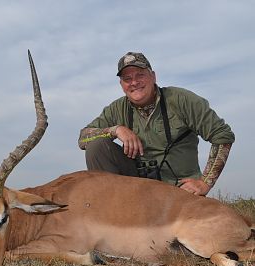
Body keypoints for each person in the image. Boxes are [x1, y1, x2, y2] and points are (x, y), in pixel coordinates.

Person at [78, 52, 235, 196]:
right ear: (121, 84)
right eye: (127, 79)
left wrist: (204, 183)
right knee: (96, 145)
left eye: (140, 75)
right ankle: (112, 210)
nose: (134, 82)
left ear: (153, 76)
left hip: (180, 190)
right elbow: (83, 138)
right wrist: (116, 130)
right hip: (138, 187)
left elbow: (223, 135)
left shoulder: (181, 99)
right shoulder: (117, 109)